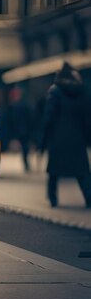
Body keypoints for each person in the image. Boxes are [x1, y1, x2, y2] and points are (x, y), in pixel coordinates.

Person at [40, 62, 91, 208]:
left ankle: (53, 200)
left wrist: (43, 139)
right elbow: (87, 117)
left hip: (58, 138)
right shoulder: (82, 90)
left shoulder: (55, 91)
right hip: (77, 138)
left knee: (54, 172)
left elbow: (49, 117)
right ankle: (89, 198)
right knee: (82, 172)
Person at [8, 86, 33, 172]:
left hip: (22, 130)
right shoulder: (21, 105)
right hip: (23, 129)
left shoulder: (16, 106)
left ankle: (26, 163)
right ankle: (26, 163)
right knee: (25, 147)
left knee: (25, 147)